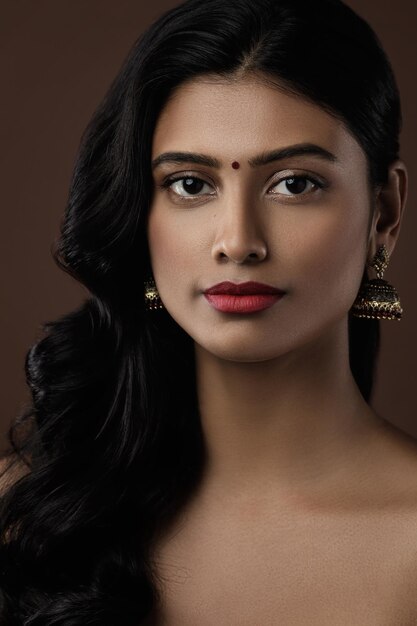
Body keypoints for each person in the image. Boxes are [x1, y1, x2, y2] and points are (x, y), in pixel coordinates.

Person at [0, 0, 414, 623]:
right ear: (142, 213)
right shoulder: (29, 512)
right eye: (191, 184)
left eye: (294, 183)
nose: (238, 240)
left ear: (384, 215)